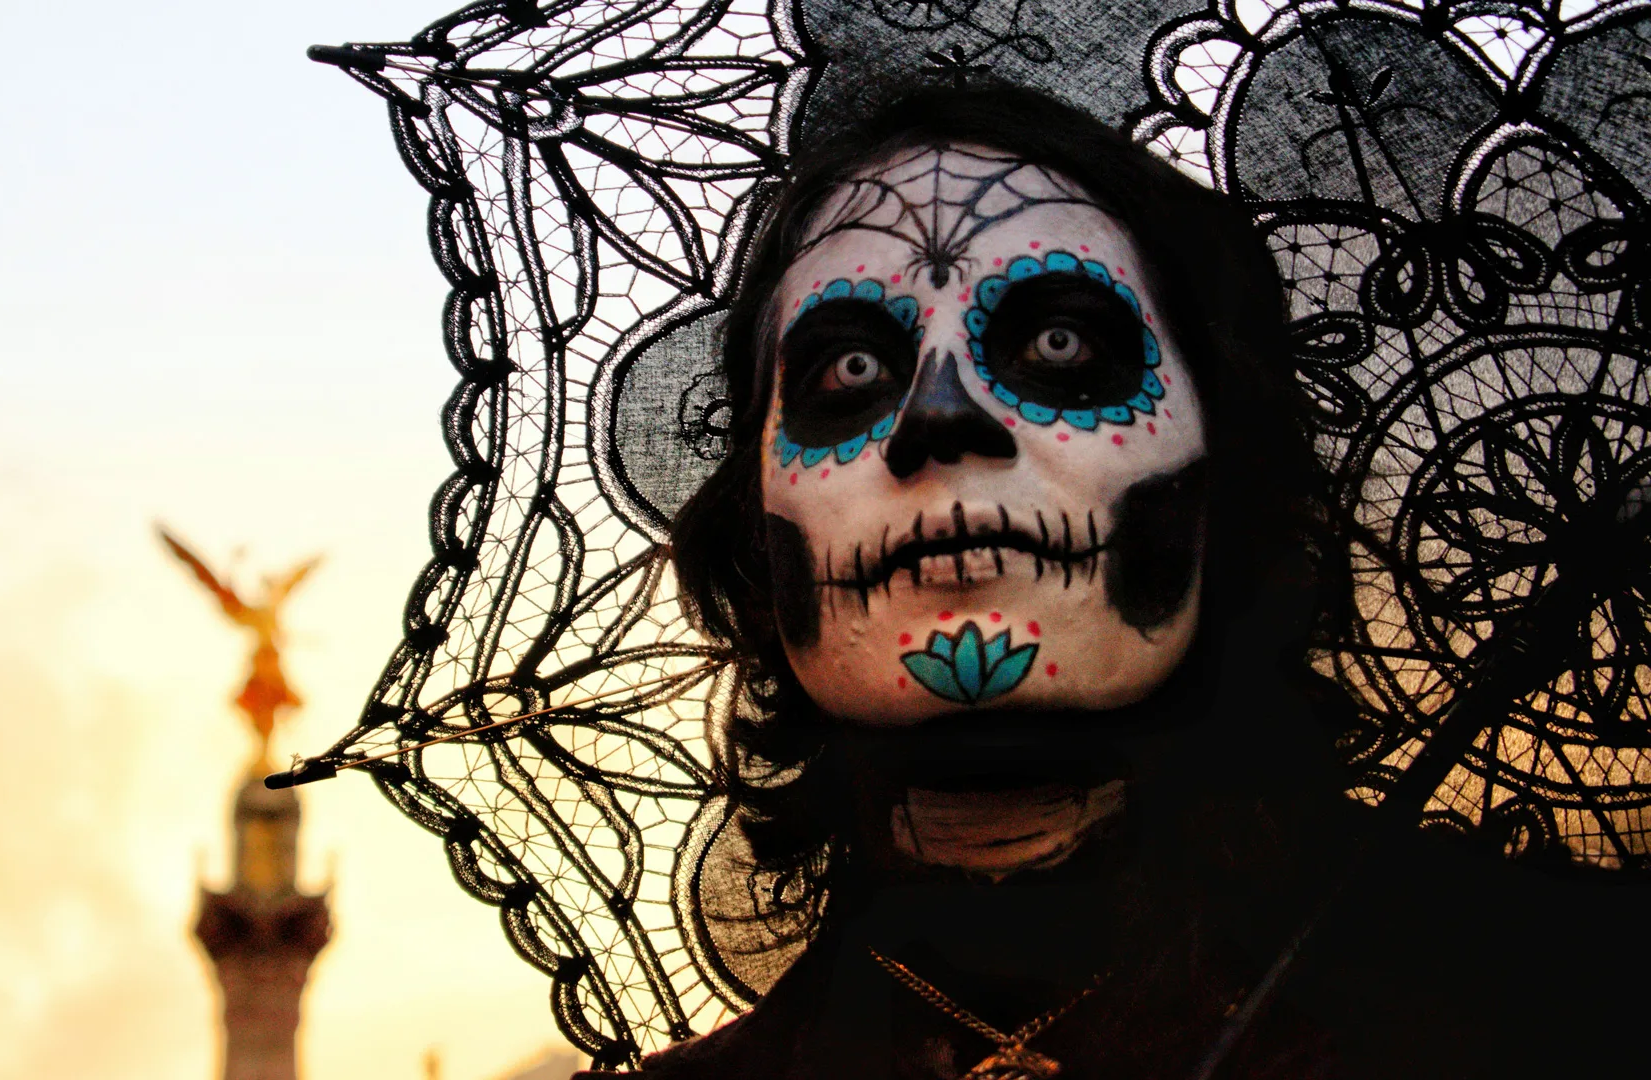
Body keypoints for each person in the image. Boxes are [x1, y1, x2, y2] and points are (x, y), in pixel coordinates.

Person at [577, 83, 1647, 1079]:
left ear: (1225, 475)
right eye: (849, 371)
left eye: (1058, 342)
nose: (938, 418)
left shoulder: (1580, 1006)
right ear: (760, 545)